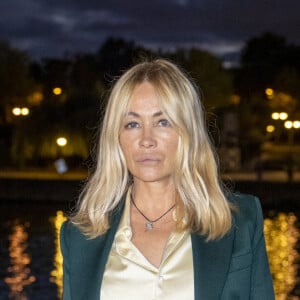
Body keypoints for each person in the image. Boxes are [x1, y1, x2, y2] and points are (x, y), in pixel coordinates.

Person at [60, 59, 275, 299]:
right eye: (132, 124)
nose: (146, 139)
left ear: (187, 132)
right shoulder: (79, 237)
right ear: (116, 138)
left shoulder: (241, 223)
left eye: (163, 122)